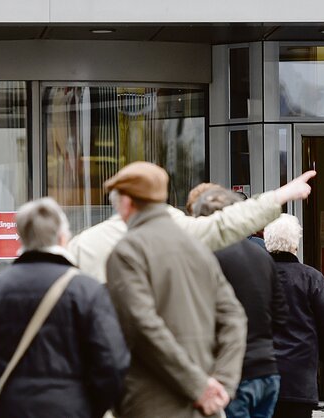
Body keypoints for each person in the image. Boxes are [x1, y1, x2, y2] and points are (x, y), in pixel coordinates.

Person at [0, 197, 130, 418]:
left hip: (12, 408)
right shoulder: (87, 290)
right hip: (72, 409)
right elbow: (112, 361)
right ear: (63, 238)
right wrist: (90, 406)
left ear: (21, 238)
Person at [104, 161, 248, 418]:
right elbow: (234, 318)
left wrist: (199, 387)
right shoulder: (197, 247)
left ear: (126, 203)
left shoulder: (127, 251)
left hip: (151, 404)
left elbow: (143, 327)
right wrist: (223, 384)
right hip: (205, 408)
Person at [69, 170, 317, 283]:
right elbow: (224, 225)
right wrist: (281, 195)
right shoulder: (177, 231)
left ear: (121, 203)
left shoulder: (85, 243)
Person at [193, 187, 289, 418]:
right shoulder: (262, 254)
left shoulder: (207, 255)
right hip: (267, 369)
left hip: (230, 373)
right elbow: (282, 315)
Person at [263, 214, 324, 418]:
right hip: (299, 375)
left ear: (267, 242)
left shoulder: (254, 276)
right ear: (295, 244)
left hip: (259, 373)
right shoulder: (311, 277)